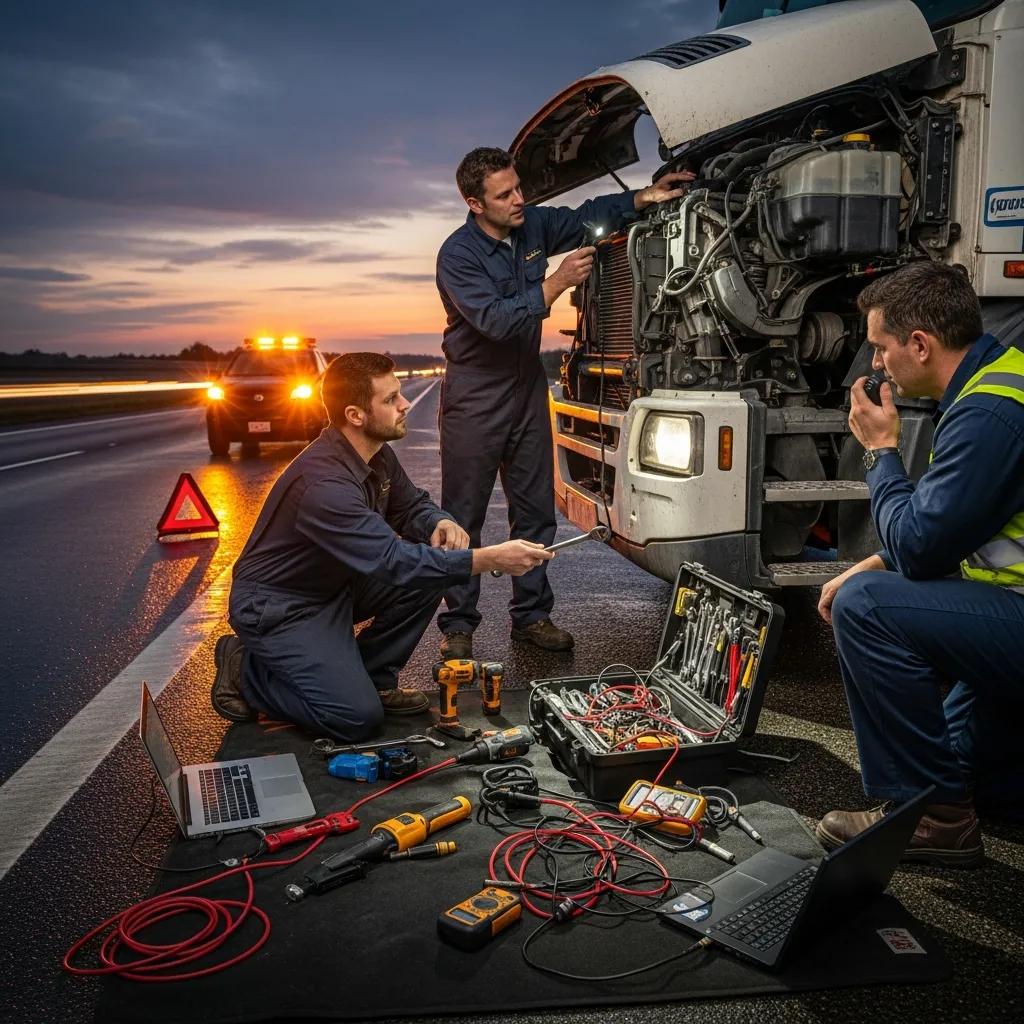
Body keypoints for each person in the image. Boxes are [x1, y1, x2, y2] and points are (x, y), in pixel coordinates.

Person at [211, 352, 552, 741]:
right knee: (355, 719)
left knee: (435, 568)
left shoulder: (374, 454)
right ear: (355, 415)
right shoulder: (325, 486)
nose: (404, 404)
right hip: (282, 607)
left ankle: (374, 676)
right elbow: (393, 563)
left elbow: (410, 505)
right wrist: (489, 558)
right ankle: (245, 670)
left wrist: (436, 521)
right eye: (390, 400)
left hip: (333, 586)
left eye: (400, 394)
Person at [435, 146, 693, 659]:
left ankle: (531, 617)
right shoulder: (457, 256)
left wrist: (643, 196)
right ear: (474, 203)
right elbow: (496, 321)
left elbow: (583, 217)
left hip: (527, 387)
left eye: (518, 187)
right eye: (504, 194)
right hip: (474, 391)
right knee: (463, 516)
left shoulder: (529, 227)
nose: (518, 200)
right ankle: (459, 626)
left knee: (534, 513)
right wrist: (555, 283)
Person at [815, 261, 1024, 866]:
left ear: (920, 345)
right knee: (970, 775)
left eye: (880, 348)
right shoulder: (1000, 383)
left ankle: (936, 820)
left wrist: (880, 453)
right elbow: (954, 520)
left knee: (865, 609)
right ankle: (959, 793)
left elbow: (922, 547)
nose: (876, 363)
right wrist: (873, 560)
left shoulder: (988, 415)